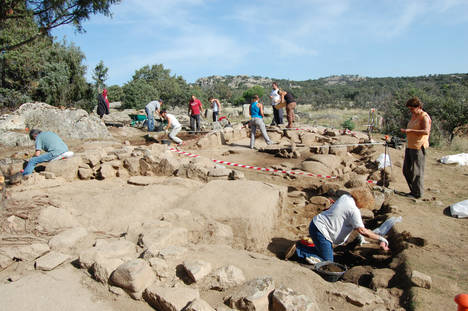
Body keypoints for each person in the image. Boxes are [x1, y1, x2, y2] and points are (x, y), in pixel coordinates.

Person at [294, 188, 389, 263]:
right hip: (322, 231)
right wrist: (381, 239)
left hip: (317, 225)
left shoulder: (345, 197)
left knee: (324, 252)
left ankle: (302, 247)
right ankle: (298, 251)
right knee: (327, 262)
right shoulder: (353, 210)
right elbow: (362, 230)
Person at [400, 97, 432, 199]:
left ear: (418, 107)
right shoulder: (414, 116)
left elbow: (426, 131)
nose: (410, 111)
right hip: (410, 145)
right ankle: (413, 190)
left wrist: (409, 131)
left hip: (418, 146)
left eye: (412, 109)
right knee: (406, 170)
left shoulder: (424, 117)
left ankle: (417, 193)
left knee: (417, 171)